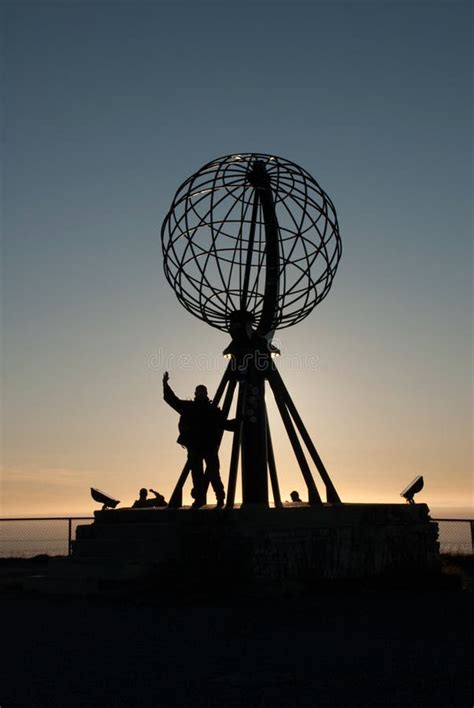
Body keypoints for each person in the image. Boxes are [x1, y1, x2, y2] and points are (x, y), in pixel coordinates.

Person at [162, 371, 236, 508]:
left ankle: (219, 497)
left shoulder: (210, 410)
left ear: (205, 394)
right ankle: (201, 499)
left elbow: (225, 424)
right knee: (198, 475)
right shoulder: (191, 408)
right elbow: (172, 400)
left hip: (207, 447)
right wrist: (165, 384)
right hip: (196, 447)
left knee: (213, 473)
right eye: (199, 392)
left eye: (202, 392)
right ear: (197, 394)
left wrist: (241, 422)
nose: (201, 394)